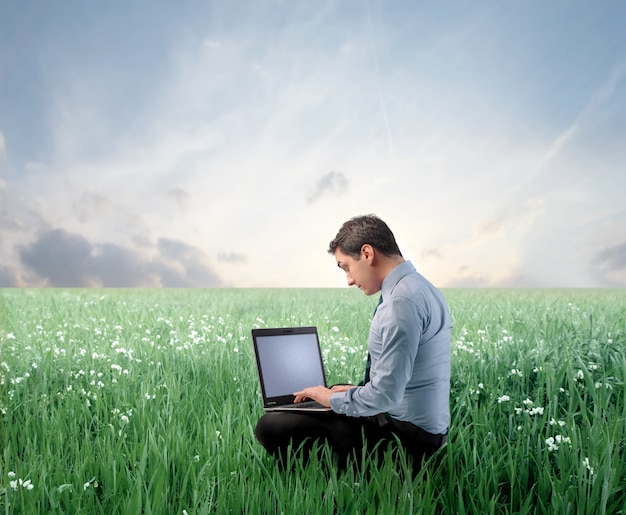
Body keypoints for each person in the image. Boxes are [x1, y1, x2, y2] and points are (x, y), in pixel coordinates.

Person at [254, 214, 451, 474]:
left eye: (345, 266)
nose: (348, 280)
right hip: (419, 428)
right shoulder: (420, 288)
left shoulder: (400, 304)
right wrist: (347, 393)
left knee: (272, 425)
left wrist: (329, 398)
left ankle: (337, 485)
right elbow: (397, 382)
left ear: (367, 253)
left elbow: (385, 396)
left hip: (407, 439)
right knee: (330, 401)